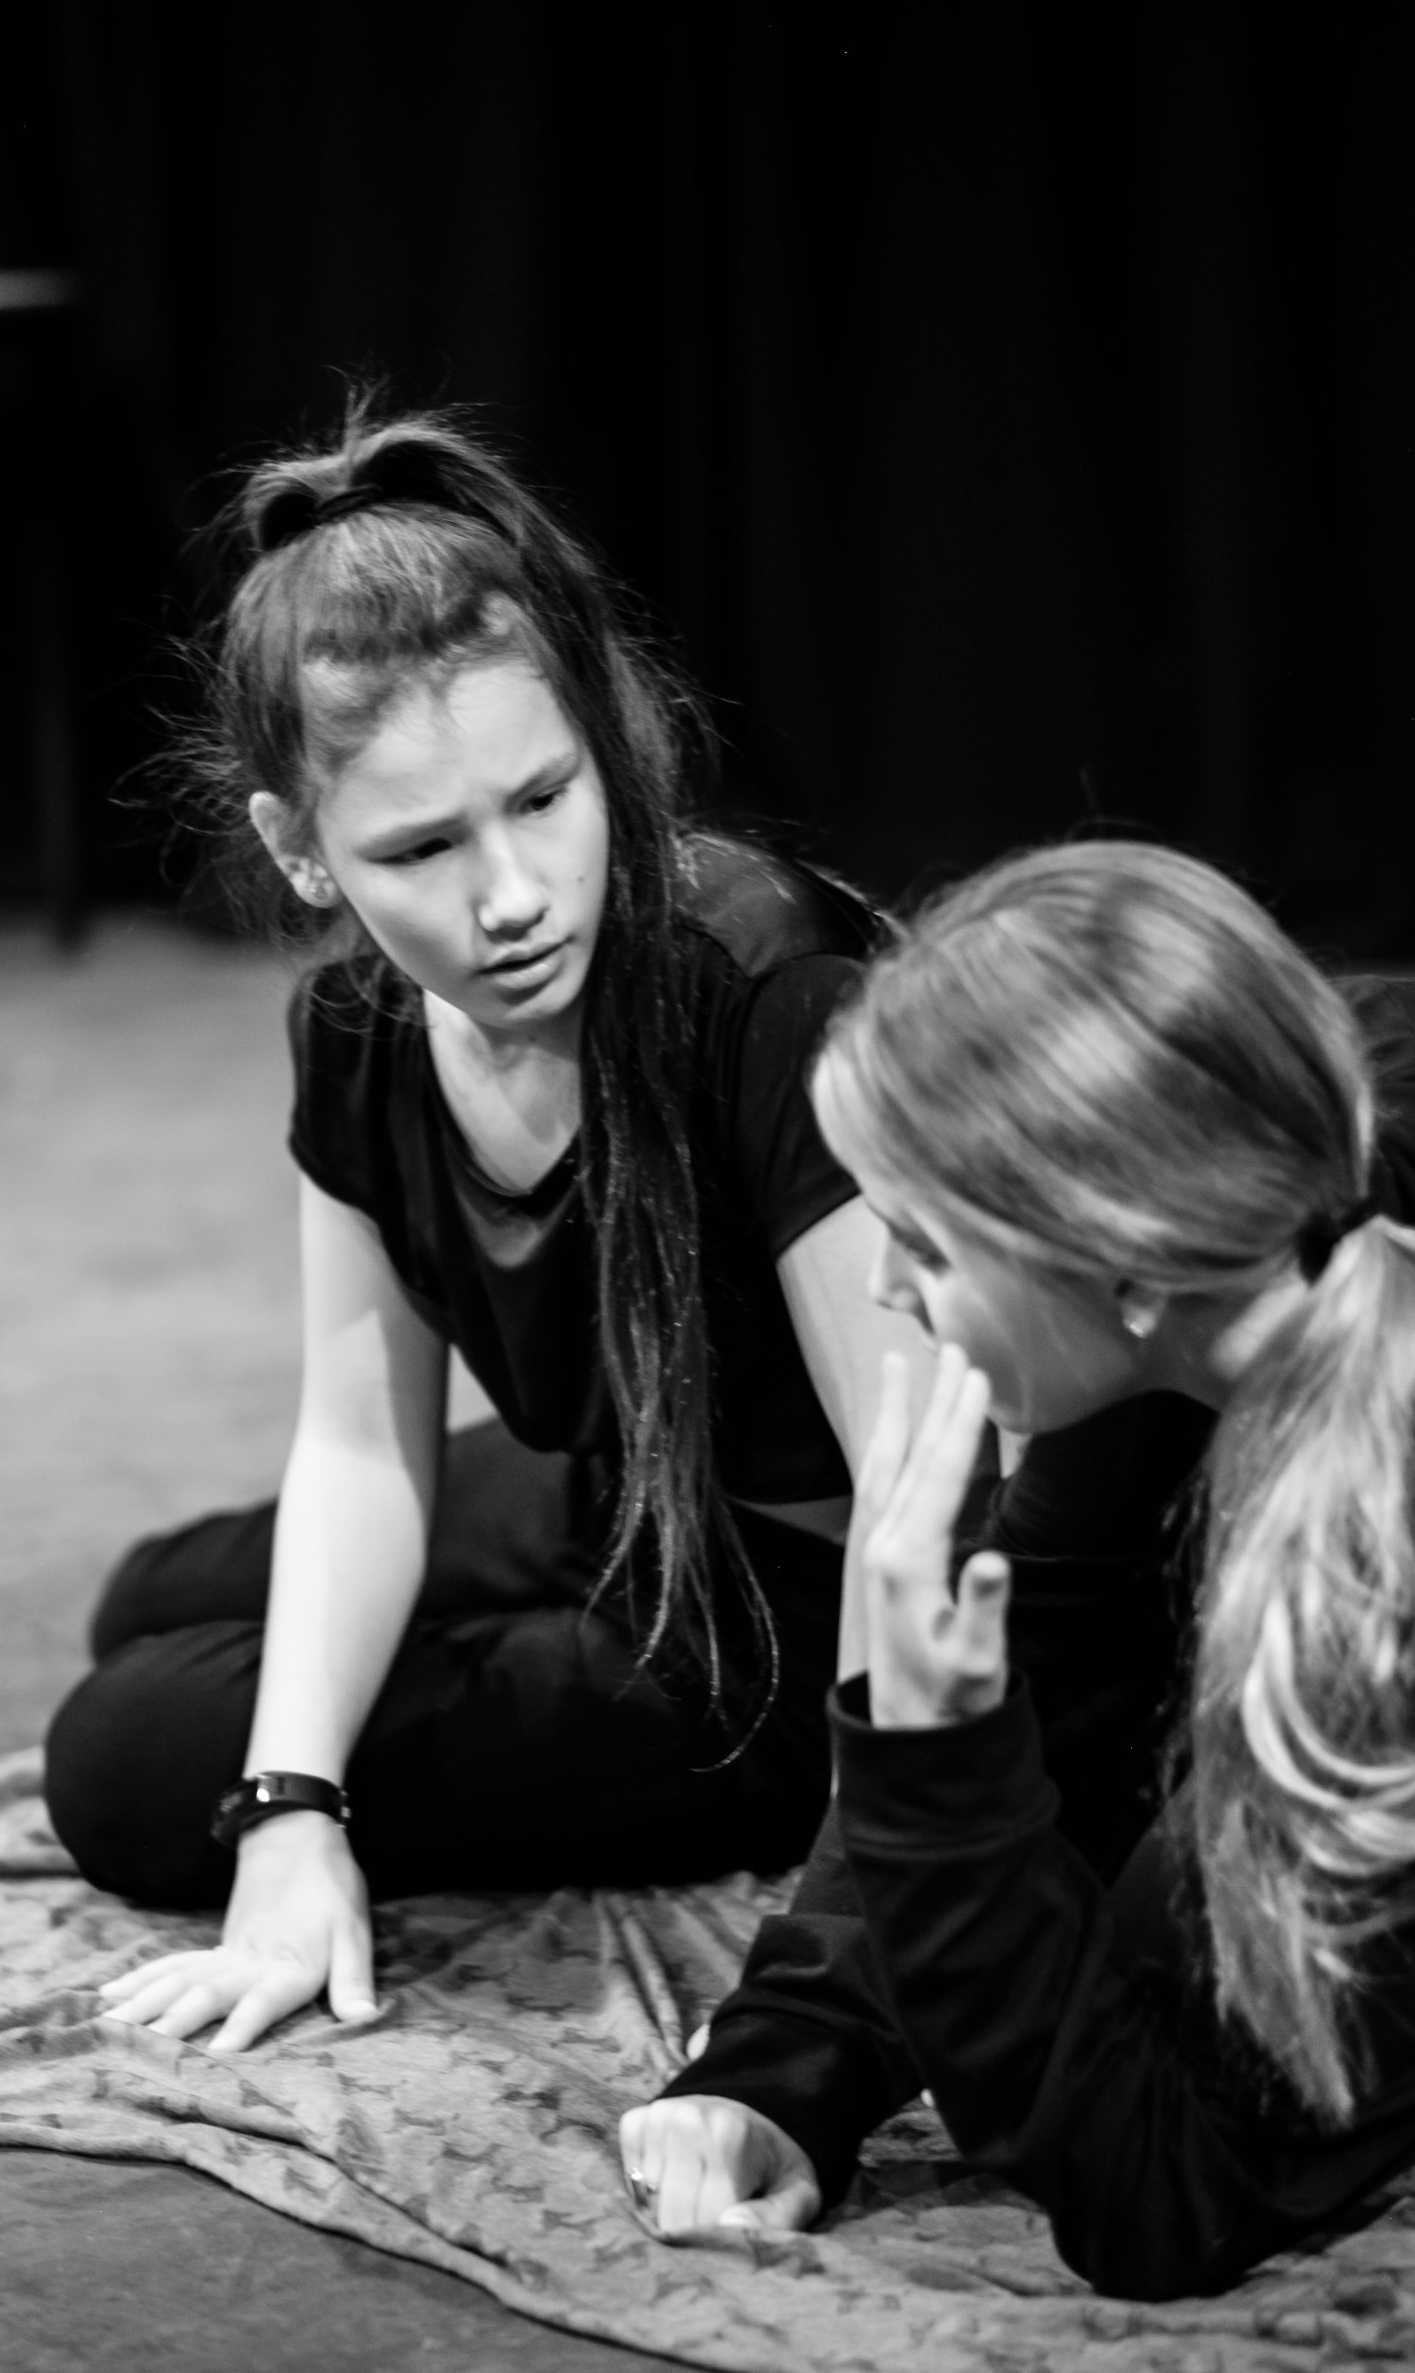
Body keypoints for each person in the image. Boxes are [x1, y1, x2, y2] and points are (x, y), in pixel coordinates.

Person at [45, 406, 932, 2055]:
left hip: (795, 1609)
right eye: (423, 846)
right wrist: (292, 1809)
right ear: (300, 851)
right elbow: (360, 1443)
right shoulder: (359, 1035)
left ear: (607, 743)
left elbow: (917, 1499)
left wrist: (844, 1954)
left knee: (125, 1755)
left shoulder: (770, 991)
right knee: (156, 1597)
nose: (514, 894)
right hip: (620, 1491)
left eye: (544, 798)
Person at [622, 840, 1415, 2300]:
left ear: (1125, 1260)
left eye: (925, 1243)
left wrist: (942, 1771)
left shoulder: (1376, 1611)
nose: (883, 1287)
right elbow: (1057, 1632)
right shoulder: (1254, 1169)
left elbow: (1160, 2196)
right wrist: (788, 2058)